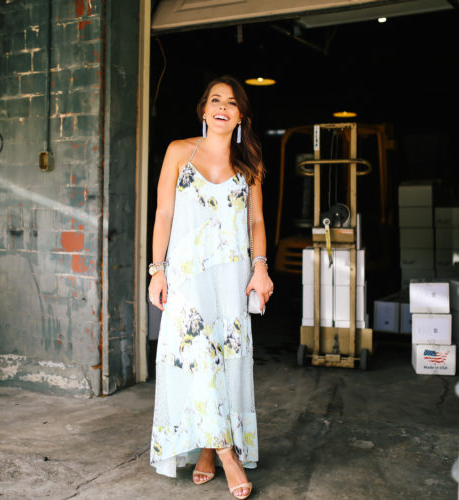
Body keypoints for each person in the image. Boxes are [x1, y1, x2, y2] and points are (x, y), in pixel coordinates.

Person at [148, 75, 273, 499]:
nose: (223, 107)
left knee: (225, 358)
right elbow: (164, 213)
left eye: (232, 103)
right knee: (199, 357)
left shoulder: (249, 161)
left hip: (232, 277)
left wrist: (261, 268)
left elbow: (256, 221)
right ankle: (227, 454)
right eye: (215, 100)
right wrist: (156, 269)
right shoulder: (179, 152)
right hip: (187, 277)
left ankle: (206, 449)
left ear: (241, 116)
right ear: (204, 110)